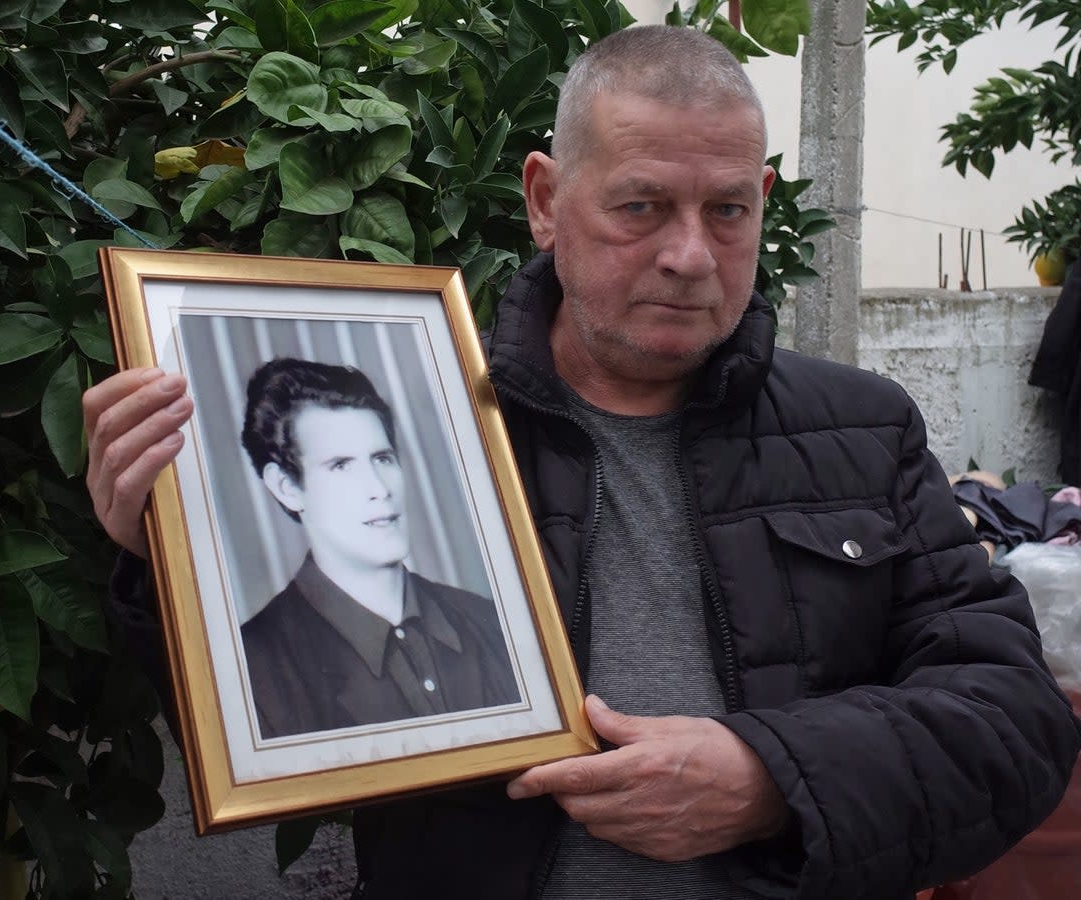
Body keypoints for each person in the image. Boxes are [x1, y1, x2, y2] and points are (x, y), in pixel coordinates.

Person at [82, 25, 1081, 900]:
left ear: (764, 201)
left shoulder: (862, 431)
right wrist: (164, 546)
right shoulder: (432, 423)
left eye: (729, 211)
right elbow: (272, 726)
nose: (691, 254)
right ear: (546, 199)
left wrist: (771, 779)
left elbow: (1013, 723)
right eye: (641, 208)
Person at [236, 357, 519, 737]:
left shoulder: (490, 621)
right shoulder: (252, 667)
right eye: (341, 465)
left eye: (382, 459)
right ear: (287, 487)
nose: (379, 488)